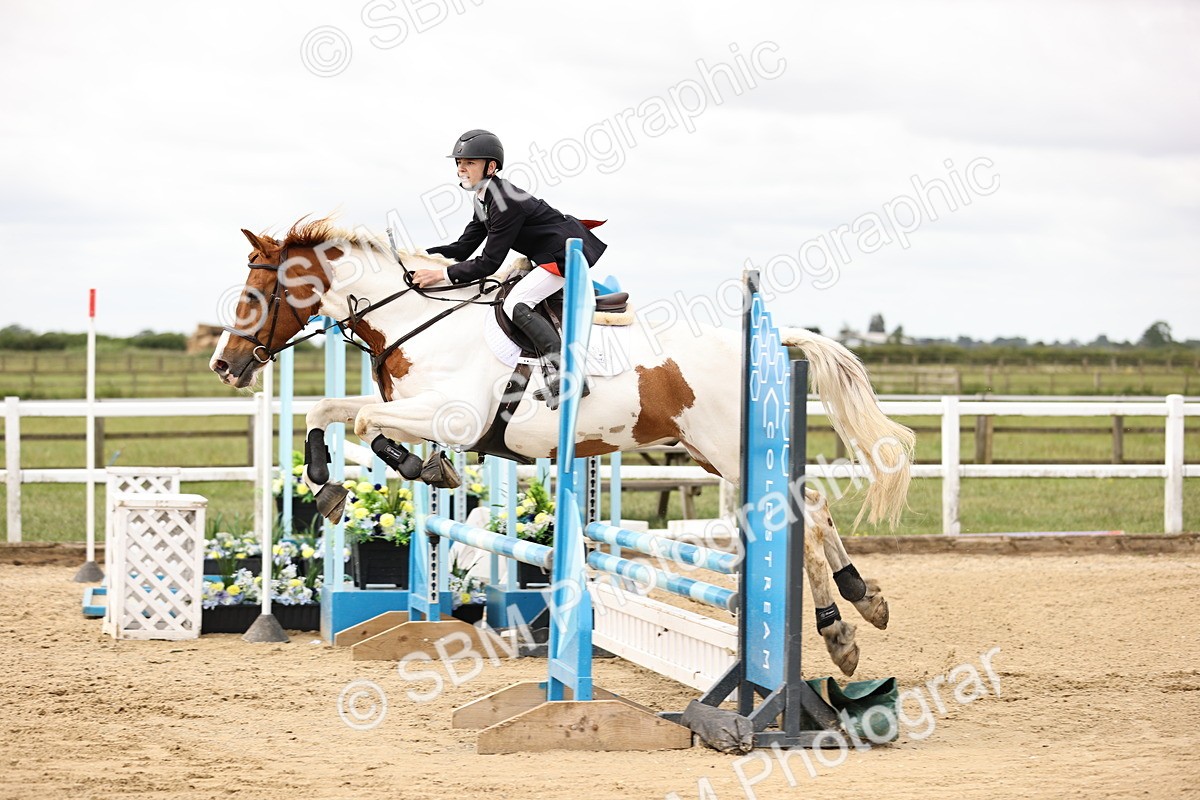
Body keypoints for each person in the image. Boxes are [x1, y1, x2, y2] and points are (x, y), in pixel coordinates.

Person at [412, 129, 606, 408]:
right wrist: (418, 257)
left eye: (469, 162)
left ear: (491, 167)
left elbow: (489, 262)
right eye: (459, 162)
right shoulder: (484, 198)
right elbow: (463, 248)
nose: (461, 168)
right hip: (547, 253)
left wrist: (440, 274)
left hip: (562, 255)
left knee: (516, 302)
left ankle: (569, 376)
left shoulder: (505, 202)